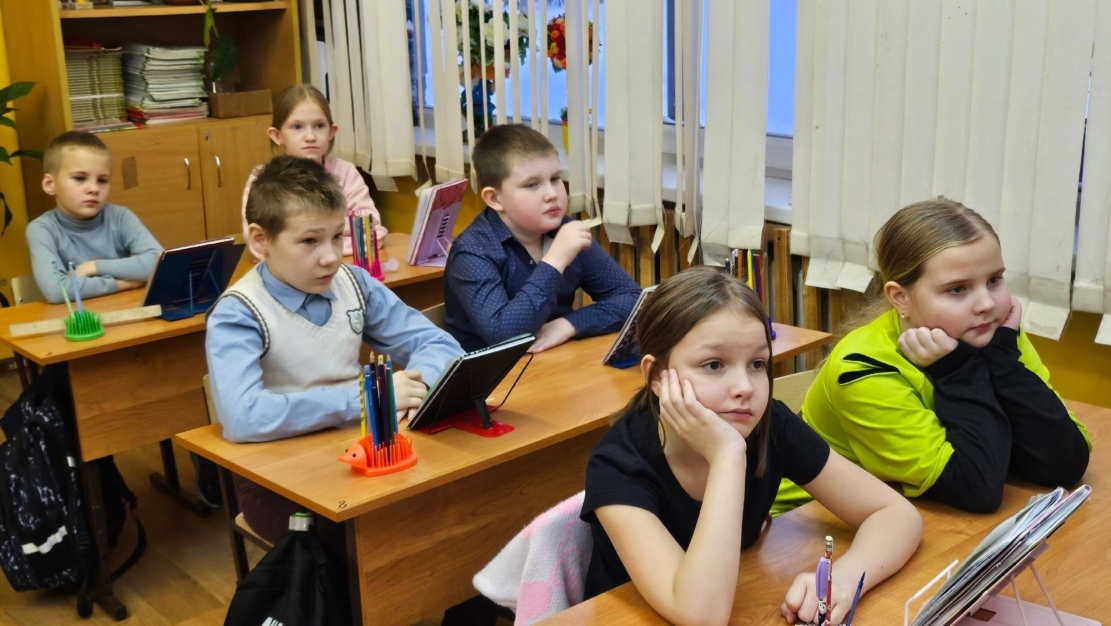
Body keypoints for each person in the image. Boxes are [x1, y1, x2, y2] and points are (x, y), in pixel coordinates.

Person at [581, 266, 922, 626]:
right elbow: (701, 615)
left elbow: (895, 514)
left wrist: (846, 579)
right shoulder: (617, 464)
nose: (745, 387)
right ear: (655, 375)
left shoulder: (769, 425)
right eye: (714, 365)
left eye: (758, 363)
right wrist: (727, 456)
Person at [775, 198, 1091, 516]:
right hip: (801, 524)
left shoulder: (994, 334)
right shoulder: (863, 369)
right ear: (901, 298)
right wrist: (957, 372)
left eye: (994, 280)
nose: (986, 304)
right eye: (958, 289)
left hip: (904, 512)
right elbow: (978, 488)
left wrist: (1004, 364)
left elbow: (1065, 463)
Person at [208, 155, 462, 545]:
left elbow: (437, 343)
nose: (330, 256)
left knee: (455, 502)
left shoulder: (353, 282)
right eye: (309, 241)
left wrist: (417, 386)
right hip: (277, 479)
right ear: (260, 240)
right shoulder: (238, 313)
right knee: (366, 539)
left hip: (361, 449)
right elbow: (243, 417)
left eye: (337, 236)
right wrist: (368, 399)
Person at [443, 123, 641, 353]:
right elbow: (504, 336)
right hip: (494, 372)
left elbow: (633, 299)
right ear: (495, 199)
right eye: (532, 184)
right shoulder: (472, 251)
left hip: (554, 360)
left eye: (555, 179)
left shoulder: (565, 230)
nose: (552, 194)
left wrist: (569, 324)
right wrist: (556, 259)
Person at [241, 84, 386, 261]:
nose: (310, 137)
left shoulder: (346, 172)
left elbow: (372, 232)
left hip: (341, 265)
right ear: (277, 135)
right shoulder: (263, 178)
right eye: (297, 127)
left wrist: (303, 240)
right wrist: (341, 230)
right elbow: (259, 244)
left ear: (331, 132)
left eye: (319, 126)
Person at [26, 130, 162, 304]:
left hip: (123, 310)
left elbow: (159, 262)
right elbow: (57, 291)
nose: (94, 189)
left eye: (102, 180)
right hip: (76, 318)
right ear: (50, 184)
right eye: (80, 178)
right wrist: (120, 284)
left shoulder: (120, 216)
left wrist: (93, 267)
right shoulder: (41, 229)